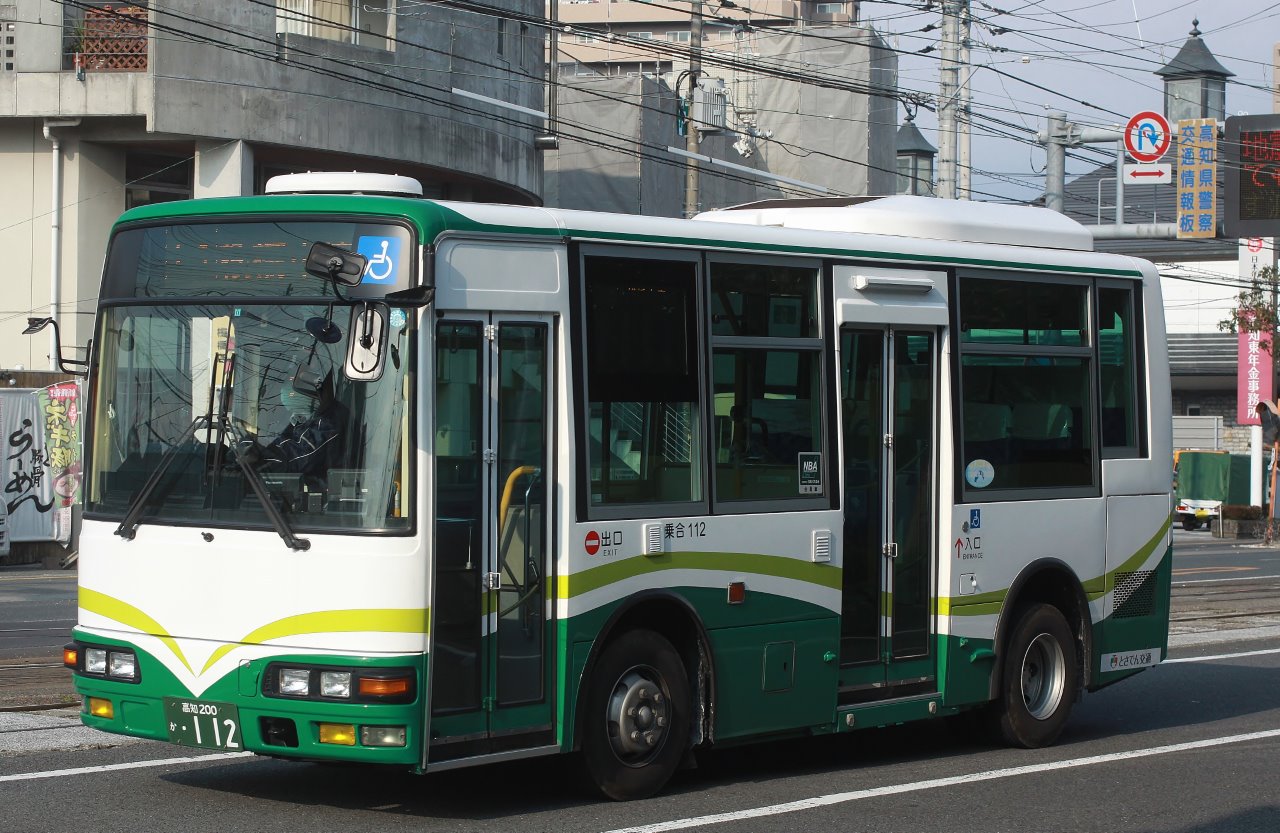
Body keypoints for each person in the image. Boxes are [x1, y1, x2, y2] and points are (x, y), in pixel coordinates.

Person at [241, 370, 348, 491]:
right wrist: (249, 445)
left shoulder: (328, 425)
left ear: (309, 402)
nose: (295, 418)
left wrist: (260, 455)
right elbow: (282, 439)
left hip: (335, 492)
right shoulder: (315, 421)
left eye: (297, 412)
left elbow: (296, 456)